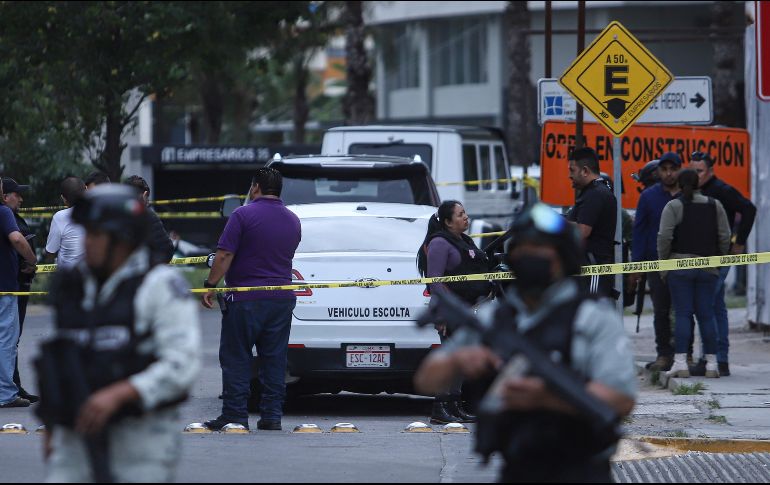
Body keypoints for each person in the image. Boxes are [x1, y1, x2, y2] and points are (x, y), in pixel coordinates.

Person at [414, 203, 636, 483]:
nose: (531, 255)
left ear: (563, 256)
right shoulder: (496, 317)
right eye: (524, 247)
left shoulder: (592, 317)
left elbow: (622, 399)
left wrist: (546, 397)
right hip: (517, 468)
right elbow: (426, 380)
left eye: (541, 247)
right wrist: (459, 360)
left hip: (581, 469)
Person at [41, 184, 201, 482]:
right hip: (74, 446)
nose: (87, 242)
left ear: (124, 238)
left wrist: (121, 393)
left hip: (139, 448)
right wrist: (52, 426)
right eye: (86, 232)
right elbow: (59, 359)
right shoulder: (73, 286)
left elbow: (182, 365)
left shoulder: (160, 286)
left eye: (97, 234)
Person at [201, 167, 301, 432]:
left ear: (255, 187)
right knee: (274, 358)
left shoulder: (242, 215)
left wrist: (210, 285)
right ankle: (272, 415)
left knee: (236, 357)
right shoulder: (293, 220)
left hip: (246, 298)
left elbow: (223, 256)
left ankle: (234, 414)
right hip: (281, 299)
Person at [416, 200, 493, 424]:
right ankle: (440, 408)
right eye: (460, 215)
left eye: (465, 213)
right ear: (448, 222)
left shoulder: (464, 241)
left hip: (467, 311)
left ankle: (455, 406)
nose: (466, 217)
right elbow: (435, 282)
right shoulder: (440, 243)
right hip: (448, 311)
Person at [657, 169, 731, 379]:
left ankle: (680, 363)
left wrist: (664, 263)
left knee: (682, 314)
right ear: (699, 183)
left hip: (679, 266)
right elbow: (725, 236)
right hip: (708, 267)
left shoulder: (674, 206)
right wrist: (718, 259)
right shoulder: (715, 205)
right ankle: (712, 364)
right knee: (707, 315)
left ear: (679, 185)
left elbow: (664, 237)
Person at [690, 151, 757, 376]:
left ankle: (711, 359)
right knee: (716, 305)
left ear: (710, 171)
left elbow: (749, 208)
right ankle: (720, 360)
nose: (695, 175)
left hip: (719, 256)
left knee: (707, 305)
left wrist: (739, 242)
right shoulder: (693, 189)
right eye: (692, 170)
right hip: (701, 256)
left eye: (699, 171)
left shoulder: (721, 189)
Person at [628, 153, 682, 372]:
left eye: (673, 168)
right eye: (664, 169)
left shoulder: (687, 195)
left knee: (684, 310)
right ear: (658, 171)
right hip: (655, 263)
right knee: (661, 310)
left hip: (683, 261)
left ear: (679, 169)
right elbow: (639, 232)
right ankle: (664, 354)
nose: (668, 173)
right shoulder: (649, 197)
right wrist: (636, 267)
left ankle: (683, 354)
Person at [0, 176, 37, 408]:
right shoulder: (4, 213)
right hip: (4, 288)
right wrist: (31, 259)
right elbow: (17, 239)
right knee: (6, 340)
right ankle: (5, 393)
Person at [566, 146, 617, 298]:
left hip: (594, 269)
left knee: (590, 315)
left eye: (572, 170)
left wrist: (555, 223)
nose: (569, 175)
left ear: (585, 171)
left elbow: (582, 231)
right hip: (587, 267)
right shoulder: (591, 192)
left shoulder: (595, 194)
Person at [124, 175, 175, 266]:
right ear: (145, 195)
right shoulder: (147, 216)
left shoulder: (113, 216)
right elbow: (167, 250)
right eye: (147, 197)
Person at [45, 177, 86, 268]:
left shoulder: (60, 217)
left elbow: (50, 252)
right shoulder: (97, 212)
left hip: (70, 276)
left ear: (63, 198)